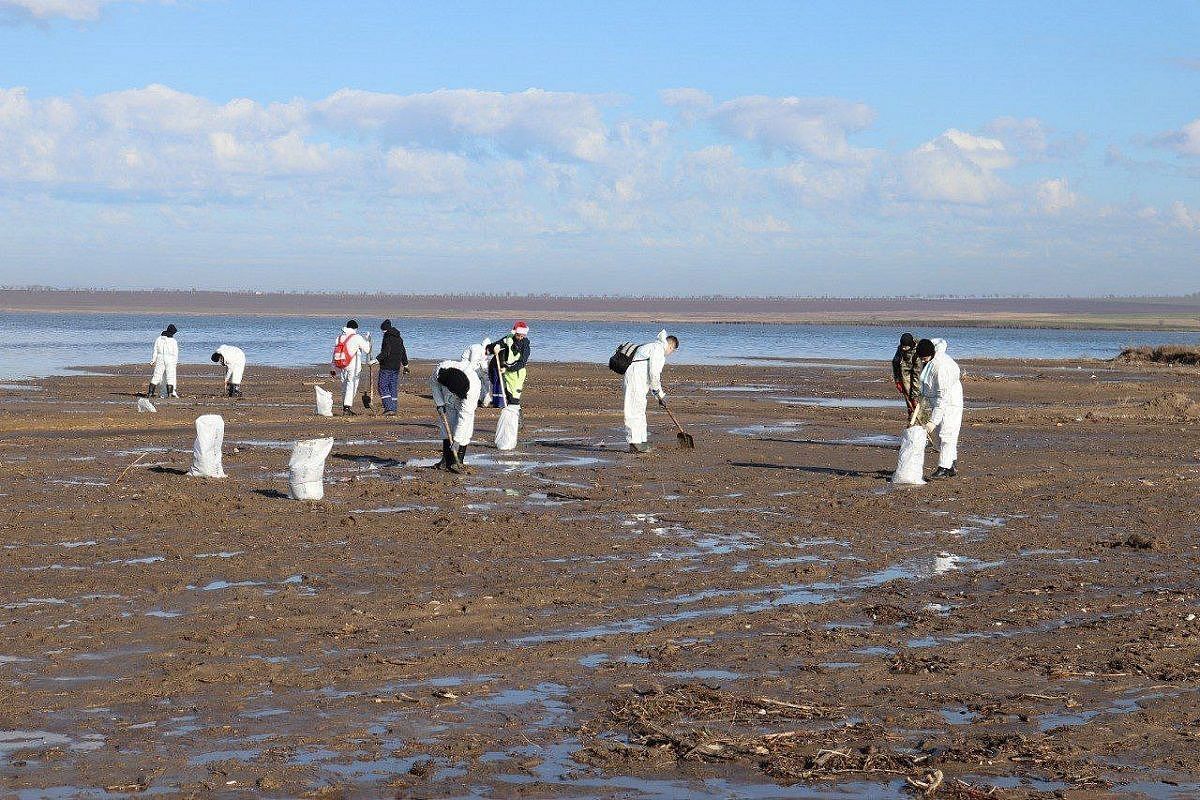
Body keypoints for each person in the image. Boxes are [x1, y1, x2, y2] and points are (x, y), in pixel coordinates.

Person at [430, 341, 489, 473]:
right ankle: (445, 461)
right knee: (447, 426)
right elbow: (433, 384)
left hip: (466, 400)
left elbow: (465, 418)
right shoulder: (441, 371)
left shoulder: (474, 387)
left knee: (465, 428)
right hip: (447, 400)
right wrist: (439, 403)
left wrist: (457, 441)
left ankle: (458, 460)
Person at [623, 330, 678, 453]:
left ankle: (641, 440)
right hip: (635, 381)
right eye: (673, 351)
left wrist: (659, 395)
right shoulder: (658, 349)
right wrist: (659, 394)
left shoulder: (654, 347)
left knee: (640, 410)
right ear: (671, 346)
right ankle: (634, 442)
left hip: (639, 382)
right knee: (633, 410)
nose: (671, 353)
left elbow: (651, 374)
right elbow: (654, 374)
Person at [916, 337, 963, 478]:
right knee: (943, 435)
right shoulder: (930, 360)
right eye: (921, 358)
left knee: (947, 434)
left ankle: (944, 467)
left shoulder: (941, 368)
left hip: (950, 401)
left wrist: (933, 421)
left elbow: (942, 398)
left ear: (931, 354)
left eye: (924, 358)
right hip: (937, 400)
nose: (923, 361)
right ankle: (952, 465)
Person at [330, 320, 371, 416]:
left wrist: (333, 368)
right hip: (353, 365)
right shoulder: (357, 337)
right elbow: (367, 350)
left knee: (344, 385)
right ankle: (347, 407)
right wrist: (367, 339)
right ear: (355, 328)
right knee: (351, 385)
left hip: (341, 365)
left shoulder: (339, 338)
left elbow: (335, 353)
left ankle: (345, 406)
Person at [372, 319, 409, 416]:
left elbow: (386, 352)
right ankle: (393, 408)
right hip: (396, 367)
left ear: (385, 330)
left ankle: (389, 408)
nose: (383, 332)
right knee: (392, 387)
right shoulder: (399, 338)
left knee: (382, 386)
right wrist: (406, 365)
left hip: (386, 367)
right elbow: (403, 352)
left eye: (383, 331)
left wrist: (376, 360)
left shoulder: (387, 337)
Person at [891, 332, 924, 423]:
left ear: (911, 345)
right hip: (903, 378)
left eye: (906, 347)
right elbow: (895, 363)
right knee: (909, 405)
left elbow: (917, 376)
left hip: (914, 379)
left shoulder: (917, 354)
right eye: (902, 346)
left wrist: (914, 395)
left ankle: (919, 422)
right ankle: (911, 419)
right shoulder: (900, 349)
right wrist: (897, 381)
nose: (903, 348)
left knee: (915, 403)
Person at [148, 324, 179, 399]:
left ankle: (150, 393)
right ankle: (170, 394)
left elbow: (155, 351)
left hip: (160, 358)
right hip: (170, 359)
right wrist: (175, 362)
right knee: (170, 377)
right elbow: (175, 353)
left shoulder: (159, 339)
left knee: (156, 376)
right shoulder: (173, 341)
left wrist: (153, 360)